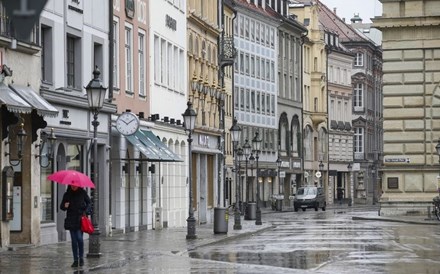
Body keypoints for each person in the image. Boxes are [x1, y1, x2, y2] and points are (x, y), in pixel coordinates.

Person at [60, 185, 91, 267]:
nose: (74, 186)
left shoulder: (82, 193)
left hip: (80, 219)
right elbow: (61, 207)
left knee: (79, 239)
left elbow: (89, 203)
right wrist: (65, 206)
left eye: (75, 185)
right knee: (74, 241)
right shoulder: (67, 194)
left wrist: (86, 211)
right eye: (72, 185)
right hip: (71, 219)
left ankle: (81, 258)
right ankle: (75, 260)